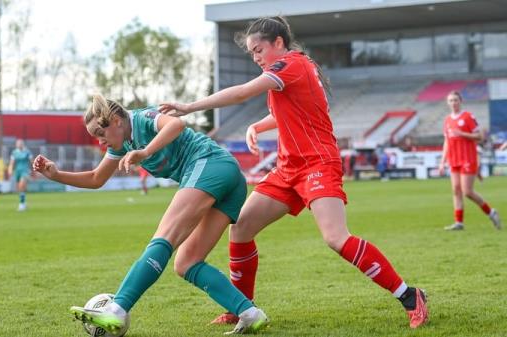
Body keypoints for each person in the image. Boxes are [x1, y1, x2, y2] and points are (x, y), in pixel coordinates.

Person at [160, 16, 428, 329]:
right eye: (252, 54)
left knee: (336, 238)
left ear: (278, 42)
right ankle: (241, 309)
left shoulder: (291, 65)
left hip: (317, 163)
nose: (257, 57)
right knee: (242, 228)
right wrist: (257, 125)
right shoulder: (294, 70)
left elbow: (242, 93)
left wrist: (189, 107)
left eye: (259, 49)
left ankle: (410, 296)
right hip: (288, 168)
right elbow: (287, 112)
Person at [33, 94, 269, 335]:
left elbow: (176, 124)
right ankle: (249, 313)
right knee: (186, 263)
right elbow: (96, 178)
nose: (101, 142)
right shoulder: (122, 144)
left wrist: (144, 152)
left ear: (116, 120)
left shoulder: (141, 118)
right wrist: (56, 174)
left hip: (210, 163)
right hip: (230, 181)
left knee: (164, 237)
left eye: (100, 134)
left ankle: (117, 309)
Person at [438, 91, 501, 231]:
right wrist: (442, 162)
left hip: (468, 158)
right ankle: (459, 222)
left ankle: (491, 212)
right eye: (451, 100)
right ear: (447, 103)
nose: (453, 103)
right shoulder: (447, 120)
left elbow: (479, 136)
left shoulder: (468, 117)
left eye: (455, 100)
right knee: (456, 190)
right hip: (453, 159)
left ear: (460, 101)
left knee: (467, 191)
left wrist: (461, 134)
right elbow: (446, 142)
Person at [8, 139, 33, 211]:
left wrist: (34, 170)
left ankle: (21, 205)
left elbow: (31, 162)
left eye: (20, 143)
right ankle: (24, 202)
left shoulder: (27, 152)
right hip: (17, 172)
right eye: (18, 144)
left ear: (23, 144)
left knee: (21, 185)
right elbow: (12, 163)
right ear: (16, 145)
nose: (19, 145)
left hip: (25, 171)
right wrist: (10, 169)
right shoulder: (14, 152)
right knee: (19, 188)